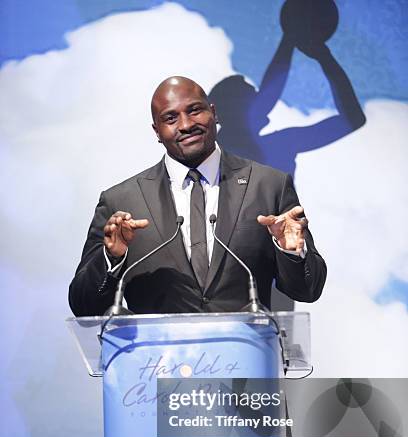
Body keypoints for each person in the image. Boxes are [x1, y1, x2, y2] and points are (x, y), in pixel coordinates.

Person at [68, 76, 326, 317]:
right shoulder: (121, 201)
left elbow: (308, 290)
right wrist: (112, 258)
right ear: (157, 131)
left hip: (247, 357)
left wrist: (290, 251)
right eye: (170, 118)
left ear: (213, 112)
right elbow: (84, 306)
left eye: (194, 111)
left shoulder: (269, 185)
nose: (186, 125)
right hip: (155, 361)